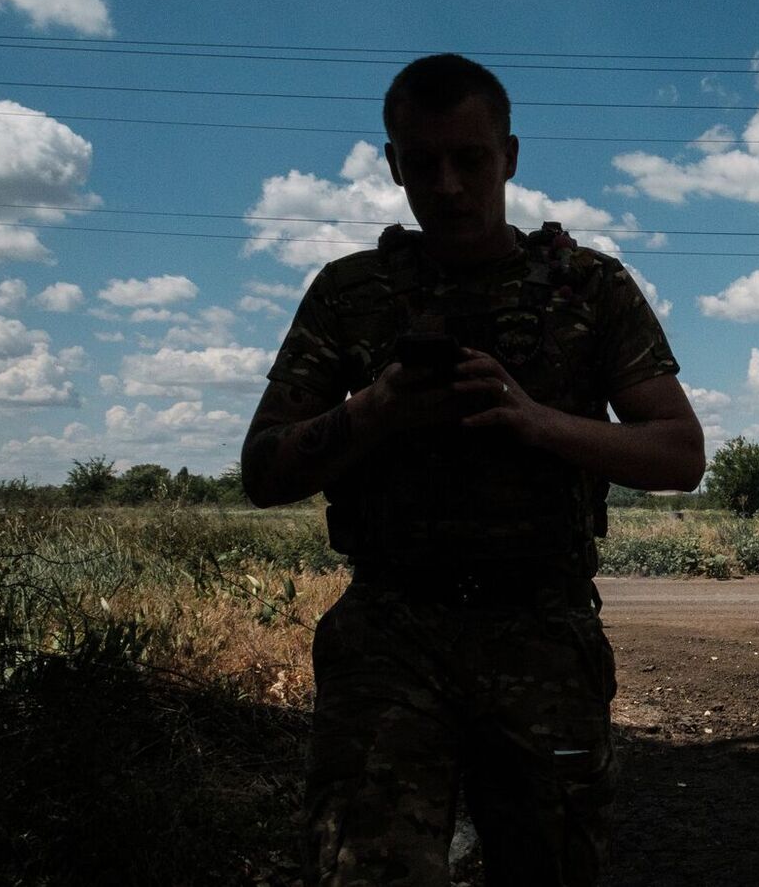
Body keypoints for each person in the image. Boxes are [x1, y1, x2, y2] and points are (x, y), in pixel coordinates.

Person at [241, 53, 704, 886]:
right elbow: (263, 469)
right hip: (391, 633)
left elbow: (679, 452)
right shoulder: (351, 292)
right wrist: (372, 410)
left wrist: (537, 421)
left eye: (470, 159)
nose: (448, 186)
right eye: (423, 163)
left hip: (541, 632)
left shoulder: (587, 288)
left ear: (510, 157)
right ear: (393, 165)